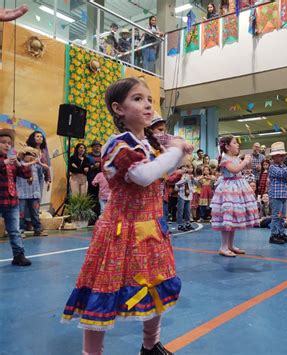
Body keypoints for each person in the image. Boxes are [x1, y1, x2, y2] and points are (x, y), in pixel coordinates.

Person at [61, 77, 192, 355]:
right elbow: (144, 176)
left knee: (156, 286)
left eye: (149, 99)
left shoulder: (151, 143)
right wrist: (176, 150)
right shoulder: (118, 145)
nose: (146, 104)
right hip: (120, 231)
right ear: (118, 109)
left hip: (152, 229)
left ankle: (150, 345)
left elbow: (164, 167)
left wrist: (177, 151)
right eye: (137, 98)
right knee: (102, 292)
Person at [210, 136, 259, 257]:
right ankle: (223, 246)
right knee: (227, 218)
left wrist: (248, 160)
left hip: (237, 187)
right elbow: (235, 170)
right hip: (229, 189)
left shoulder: (235, 157)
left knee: (233, 219)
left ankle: (230, 245)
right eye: (234, 143)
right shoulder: (225, 159)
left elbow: (246, 168)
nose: (237, 145)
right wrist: (245, 161)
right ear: (227, 146)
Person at [0, 128, 32, 266]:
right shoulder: (5, 161)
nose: (7, 145)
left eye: (9, 143)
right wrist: (4, 163)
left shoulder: (11, 161)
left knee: (14, 230)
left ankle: (19, 255)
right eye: (3, 142)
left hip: (11, 200)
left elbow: (25, 174)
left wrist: (19, 164)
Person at [267, 142, 287, 245]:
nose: (281, 157)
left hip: (283, 195)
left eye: (282, 155)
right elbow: (283, 173)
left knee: (283, 217)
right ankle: (274, 235)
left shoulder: (283, 166)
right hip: (276, 196)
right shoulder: (272, 167)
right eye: (279, 155)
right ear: (274, 157)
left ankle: (281, 233)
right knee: (276, 216)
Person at [16, 147, 48, 237]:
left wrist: (40, 162)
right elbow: (20, 166)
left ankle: (37, 229)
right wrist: (33, 162)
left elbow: (46, 168)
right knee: (21, 213)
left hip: (34, 193)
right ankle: (20, 231)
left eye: (34, 155)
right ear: (24, 156)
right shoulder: (20, 164)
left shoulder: (35, 165)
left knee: (35, 213)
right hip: (22, 193)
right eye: (30, 155)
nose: (32, 157)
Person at [25, 130, 51, 199]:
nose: (40, 138)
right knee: (31, 198)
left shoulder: (44, 151)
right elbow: (25, 163)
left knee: (38, 198)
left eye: (41, 137)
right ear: (33, 138)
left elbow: (47, 165)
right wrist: (29, 176)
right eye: (37, 136)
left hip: (40, 176)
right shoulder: (28, 149)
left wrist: (48, 180)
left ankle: (37, 209)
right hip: (31, 176)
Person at [175, 165, 196, 232]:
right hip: (181, 194)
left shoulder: (189, 176)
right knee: (180, 210)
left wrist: (193, 179)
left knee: (188, 210)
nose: (185, 170)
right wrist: (185, 180)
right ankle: (180, 225)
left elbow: (195, 183)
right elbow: (177, 184)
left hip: (188, 195)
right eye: (183, 169)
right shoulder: (178, 176)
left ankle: (188, 224)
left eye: (185, 169)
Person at [87, 140, 102, 221]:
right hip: (92, 181)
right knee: (92, 199)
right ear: (92, 148)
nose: (97, 148)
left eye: (99, 146)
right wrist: (93, 167)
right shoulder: (88, 157)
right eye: (95, 146)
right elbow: (85, 168)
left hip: (103, 183)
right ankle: (92, 218)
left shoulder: (103, 156)